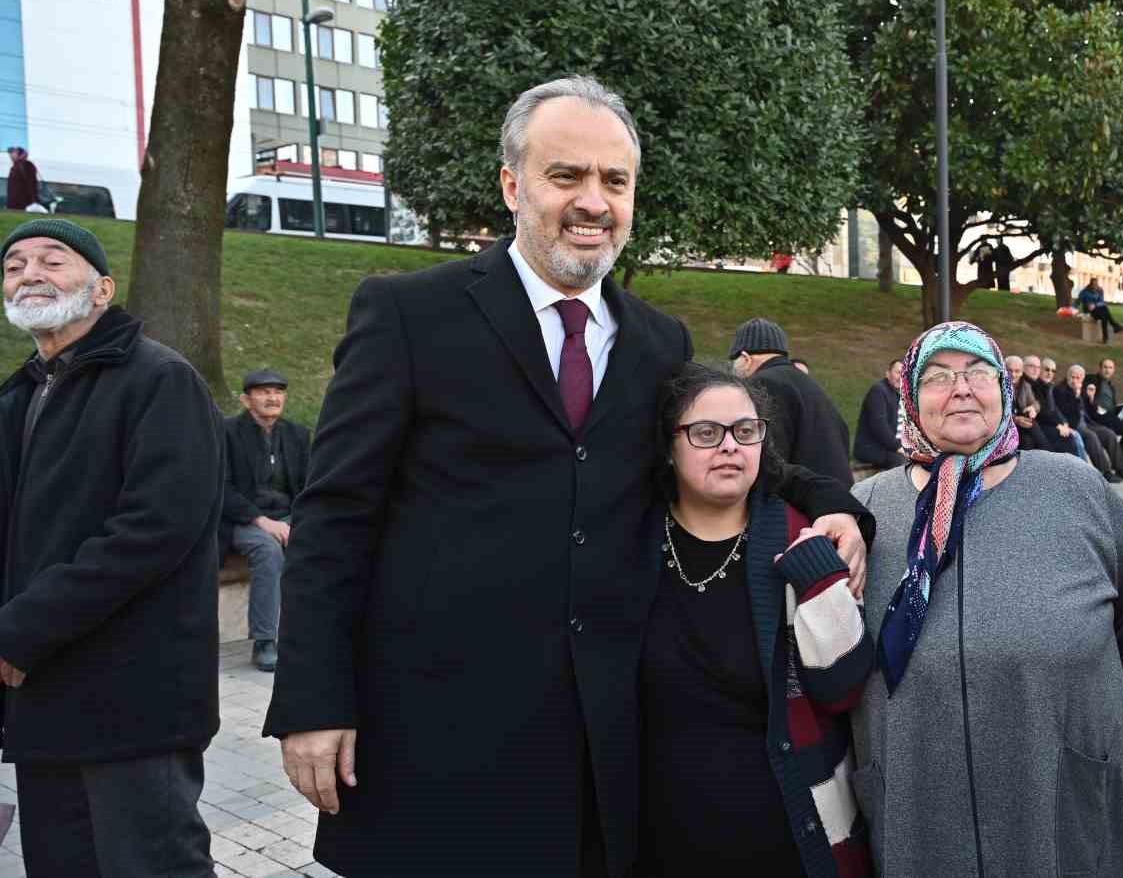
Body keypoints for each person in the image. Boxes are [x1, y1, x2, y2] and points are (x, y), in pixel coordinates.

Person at [262, 76, 871, 878]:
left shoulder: (658, 341)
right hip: (436, 741)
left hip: (597, 757)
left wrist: (839, 505)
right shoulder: (409, 315)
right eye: (566, 176)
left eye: (614, 181)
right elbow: (334, 514)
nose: (593, 201)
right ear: (513, 185)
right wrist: (313, 700)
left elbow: (736, 451)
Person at [849, 322, 1123, 876]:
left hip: (1060, 783)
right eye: (938, 377)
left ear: (1005, 390)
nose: (960, 388)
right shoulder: (863, 511)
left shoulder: (1075, 489)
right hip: (919, 793)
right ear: (912, 400)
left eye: (978, 373)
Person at [0, 219, 223, 876]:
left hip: (134, 696)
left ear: (102, 290)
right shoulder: (20, 396)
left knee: (150, 865)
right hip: (42, 695)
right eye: (14, 265)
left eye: (52, 259)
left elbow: (155, 528)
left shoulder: (160, 379)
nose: (29, 272)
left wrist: (18, 630)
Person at [640, 364, 872, 877]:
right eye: (706, 433)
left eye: (746, 432)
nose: (729, 446)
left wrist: (817, 580)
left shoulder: (800, 538)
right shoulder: (633, 543)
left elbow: (844, 688)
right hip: (659, 836)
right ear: (669, 446)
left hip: (785, 836)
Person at [221, 368, 311, 672]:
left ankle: (312, 632)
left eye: (278, 391)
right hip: (243, 521)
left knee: (318, 542)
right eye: (263, 392)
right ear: (246, 400)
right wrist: (261, 521)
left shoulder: (298, 435)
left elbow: (310, 485)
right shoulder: (226, 432)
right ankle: (264, 640)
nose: (273, 398)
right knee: (268, 551)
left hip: (287, 517)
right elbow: (221, 489)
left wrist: (296, 521)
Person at [730, 318, 853, 486]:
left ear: (745, 358)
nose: (734, 369)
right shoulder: (806, 382)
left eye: (734, 362)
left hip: (802, 502)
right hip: (834, 496)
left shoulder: (762, 383)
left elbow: (770, 457)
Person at [1055, 363, 1123, 482]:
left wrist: (1091, 399)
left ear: (1082, 378)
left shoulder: (1083, 389)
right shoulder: (1060, 390)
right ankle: (1105, 472)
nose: (1074, 380)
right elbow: (1068, 413)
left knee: (1108, 434)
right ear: (1067, 376)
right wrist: (1076, 396)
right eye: (1072, 377)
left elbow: (1092, 412)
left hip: (1087, 422)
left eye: (1078, 378)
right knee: (1092, 437)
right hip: (1073, 424)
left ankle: (1121, 469)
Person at [1086, 357, 1123, 468]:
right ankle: (1121, 461)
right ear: (1099, 368)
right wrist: (1091, 398)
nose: (1107, 370)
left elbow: (1112, 408)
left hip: (1112, 415)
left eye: (1110, 368)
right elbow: (1087, 393)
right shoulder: (1092, 379)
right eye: (1105, 367)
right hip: (1099, 417)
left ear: (1113, 370)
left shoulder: (1111, 387)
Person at [1021, 354, 1084, 459]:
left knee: (1075, 436)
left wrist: (1063, 423)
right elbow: (1043, 411)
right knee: (1070, 438)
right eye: (1047, 369)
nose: (1050, 373)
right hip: (1037, 424)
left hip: (1043, 423)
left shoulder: (1047, 386)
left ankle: (1082, 470)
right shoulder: (1038, 385)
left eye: (1053, 371)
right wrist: (1058, 425)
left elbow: (1054, 410)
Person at [854, 359, 906, 471]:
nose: (900, 377)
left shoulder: (900, 395)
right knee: (901, 462)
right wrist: (898, 448)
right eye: (898, 372)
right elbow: (879, 426)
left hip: (889, 447)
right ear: (888, 374)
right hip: (871, 448)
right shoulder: (878, 392)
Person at [1076, 276, 1123, 343]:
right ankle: (1115, 326)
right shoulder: (1085, 292)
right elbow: (1078, 301)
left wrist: (1095, 305)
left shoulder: (1100, 290)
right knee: (1104, 310)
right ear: (1090, 285)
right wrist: (1073, 309)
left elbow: (1101, 301)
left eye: (1096, 284)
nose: (1095, 286)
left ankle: (1105, 338)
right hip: (1089, 310)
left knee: (1104, 316)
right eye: (1094, 285)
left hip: (1099, 309)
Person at [5, 147, 41, 211]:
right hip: (15, 202)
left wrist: (33, 200)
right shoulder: (16, 166)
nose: (10, 156)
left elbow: (31, 184)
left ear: (19, 154)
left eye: (13, 153)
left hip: (22, 203)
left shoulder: (25, 165)